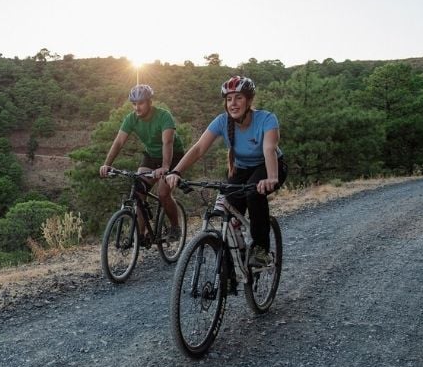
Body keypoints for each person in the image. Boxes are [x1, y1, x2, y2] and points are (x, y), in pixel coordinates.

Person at [165, 76, 288, 266]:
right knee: (227, 211)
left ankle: (261, 250)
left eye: (238, 98)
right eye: (229, 99)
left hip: (270, 166)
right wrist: (176, 171)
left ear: (249, 100)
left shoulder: (267, 119)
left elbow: (269, 149)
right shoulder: (222, 122)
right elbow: (199, 149)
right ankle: (232, 262)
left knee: (254, 194)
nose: (233, 103)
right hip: (241, 169)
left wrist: (271, 178)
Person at [99, 84, 185, 243]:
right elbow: (118, 142)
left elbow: (168, 142)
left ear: (150, 102)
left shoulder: (164, 116)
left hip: (173, 156)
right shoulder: (131, 119)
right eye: (134, 104)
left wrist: (165, 168)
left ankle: (175, 227)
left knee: (163, 193)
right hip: (151, 155)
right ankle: (141, 235)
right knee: (139, 191)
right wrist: (107, 164)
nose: (137, 107)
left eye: (141, 103)